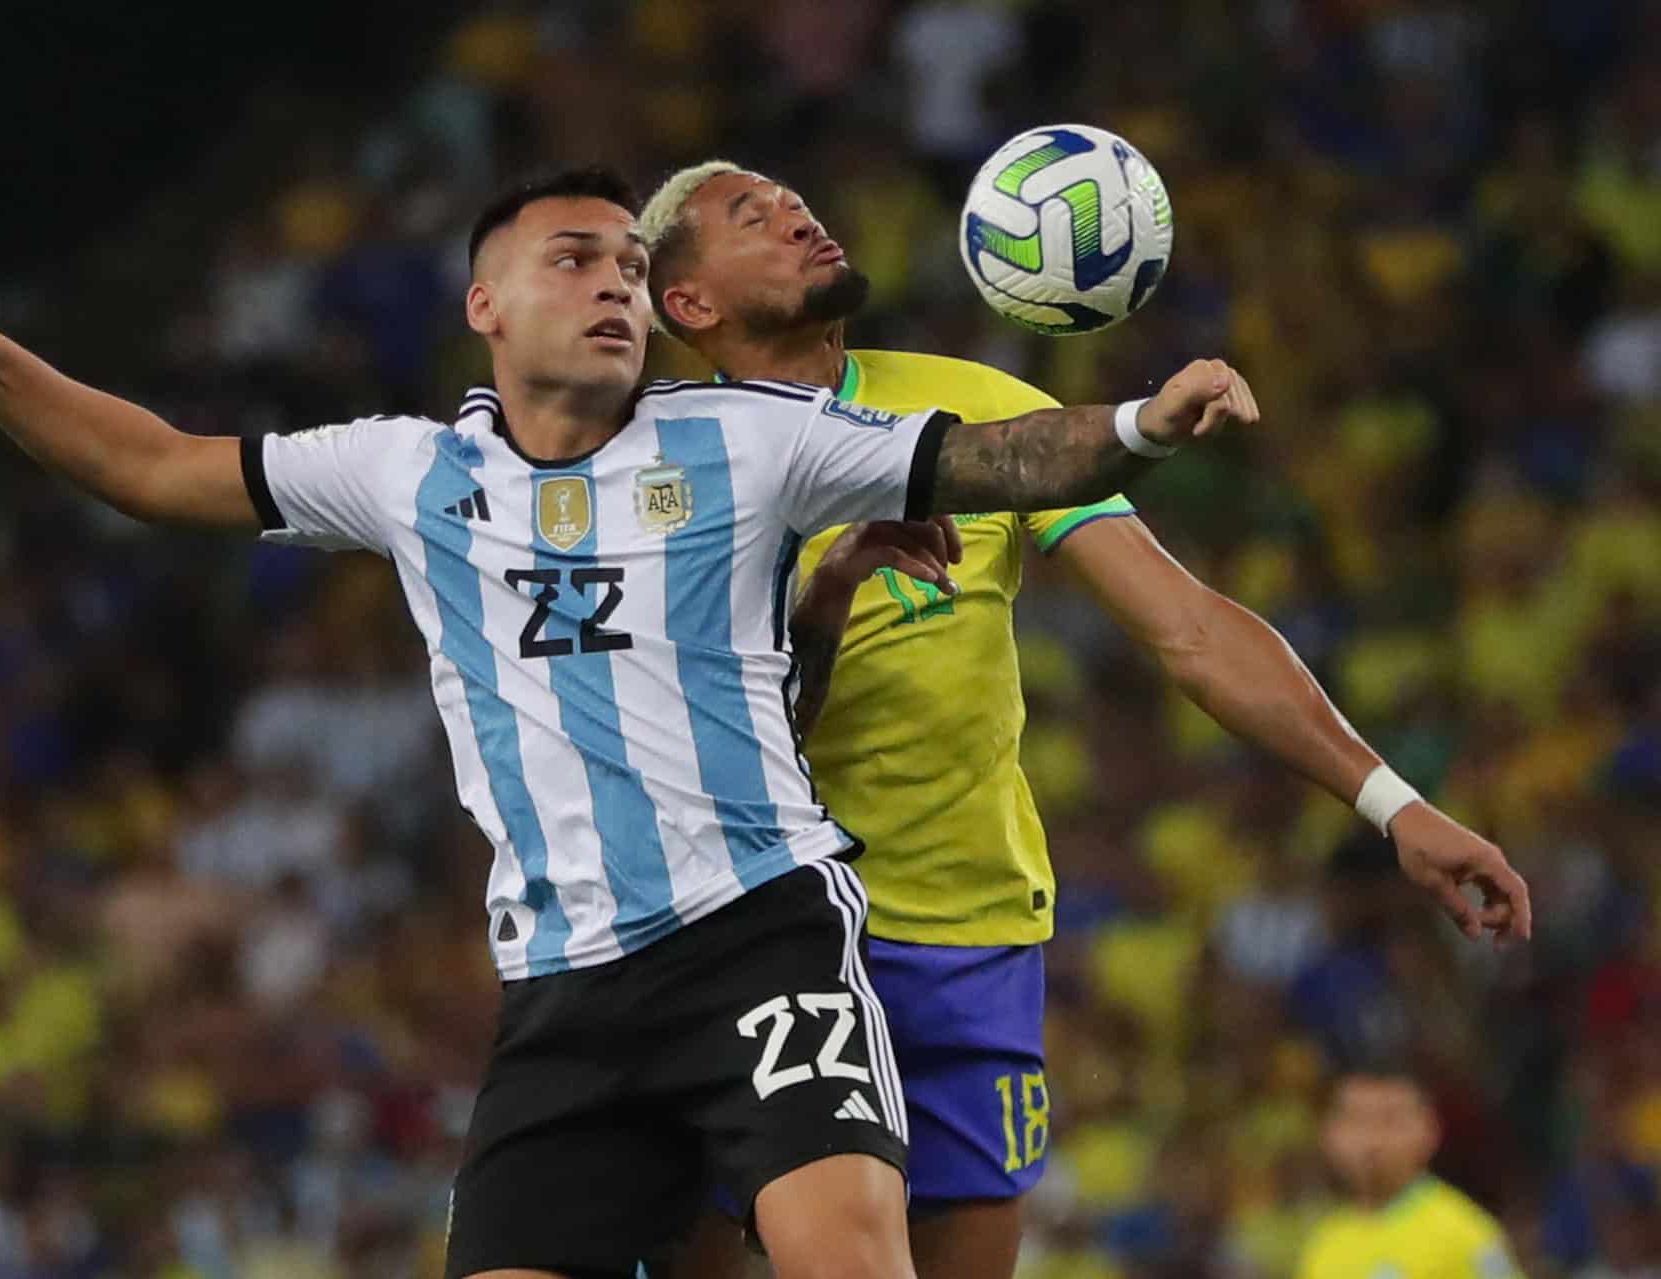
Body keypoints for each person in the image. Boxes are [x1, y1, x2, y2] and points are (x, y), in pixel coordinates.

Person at [0, 165, 1254, 1279]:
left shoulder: (745, 438)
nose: (616, 284)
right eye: (576, 258)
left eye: (634, 263)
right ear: (485, 305)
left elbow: (989, 454)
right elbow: (149, 465)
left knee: (851, 1252)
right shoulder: (403, 473)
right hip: (566, 984)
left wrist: (1136, 424)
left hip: (759, 931)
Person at [636, 161, 1533, 1279]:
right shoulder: (654, 470)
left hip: (961, 937)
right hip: (754, 933)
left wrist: (1392, 805)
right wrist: (823, 600)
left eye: (793, 199)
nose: (797, 212)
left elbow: (1191, 629)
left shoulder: (974, 411)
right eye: (748, 217)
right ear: (690, 304)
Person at [1296, 1066, 1524, 1278]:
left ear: (1430, 1130)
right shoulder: (1323, 1241)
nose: (1371, 1140)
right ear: (1328, 1133)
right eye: (1356, 1119)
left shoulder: (1465, 1235)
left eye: (1390, 1121)